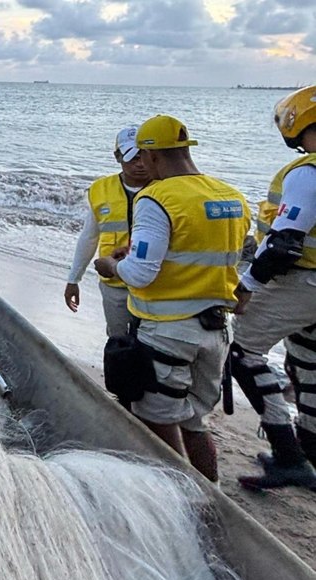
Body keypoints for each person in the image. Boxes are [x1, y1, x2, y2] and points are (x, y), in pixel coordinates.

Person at [94, 114, 249, 482]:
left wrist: (110, 267)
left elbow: (139, 273)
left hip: (168, 332)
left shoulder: (156, 198)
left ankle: (181, 495)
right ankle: (211, 492)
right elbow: (238, 257)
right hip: (216, 334)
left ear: (151, 157)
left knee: (156, 419)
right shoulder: (232, 195)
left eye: (143, 159)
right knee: (196, 421)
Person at [230, 86, 316, 489]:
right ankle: (311, 453)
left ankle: (288, 453)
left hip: (301, 281)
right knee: (308, 362)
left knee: (244, 353)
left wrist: (247, 283)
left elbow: (284, 242)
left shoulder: (306, 172)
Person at [65, 126, 151, 338]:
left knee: (152, 344)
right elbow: (89, 237)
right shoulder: (101, 189)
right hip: (114, 285)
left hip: (153, 286)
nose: (139, 164)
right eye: (132, 157)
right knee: (118, 340)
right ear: (117, 157)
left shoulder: (165, 189)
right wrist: (74, 279)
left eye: (143, 156)